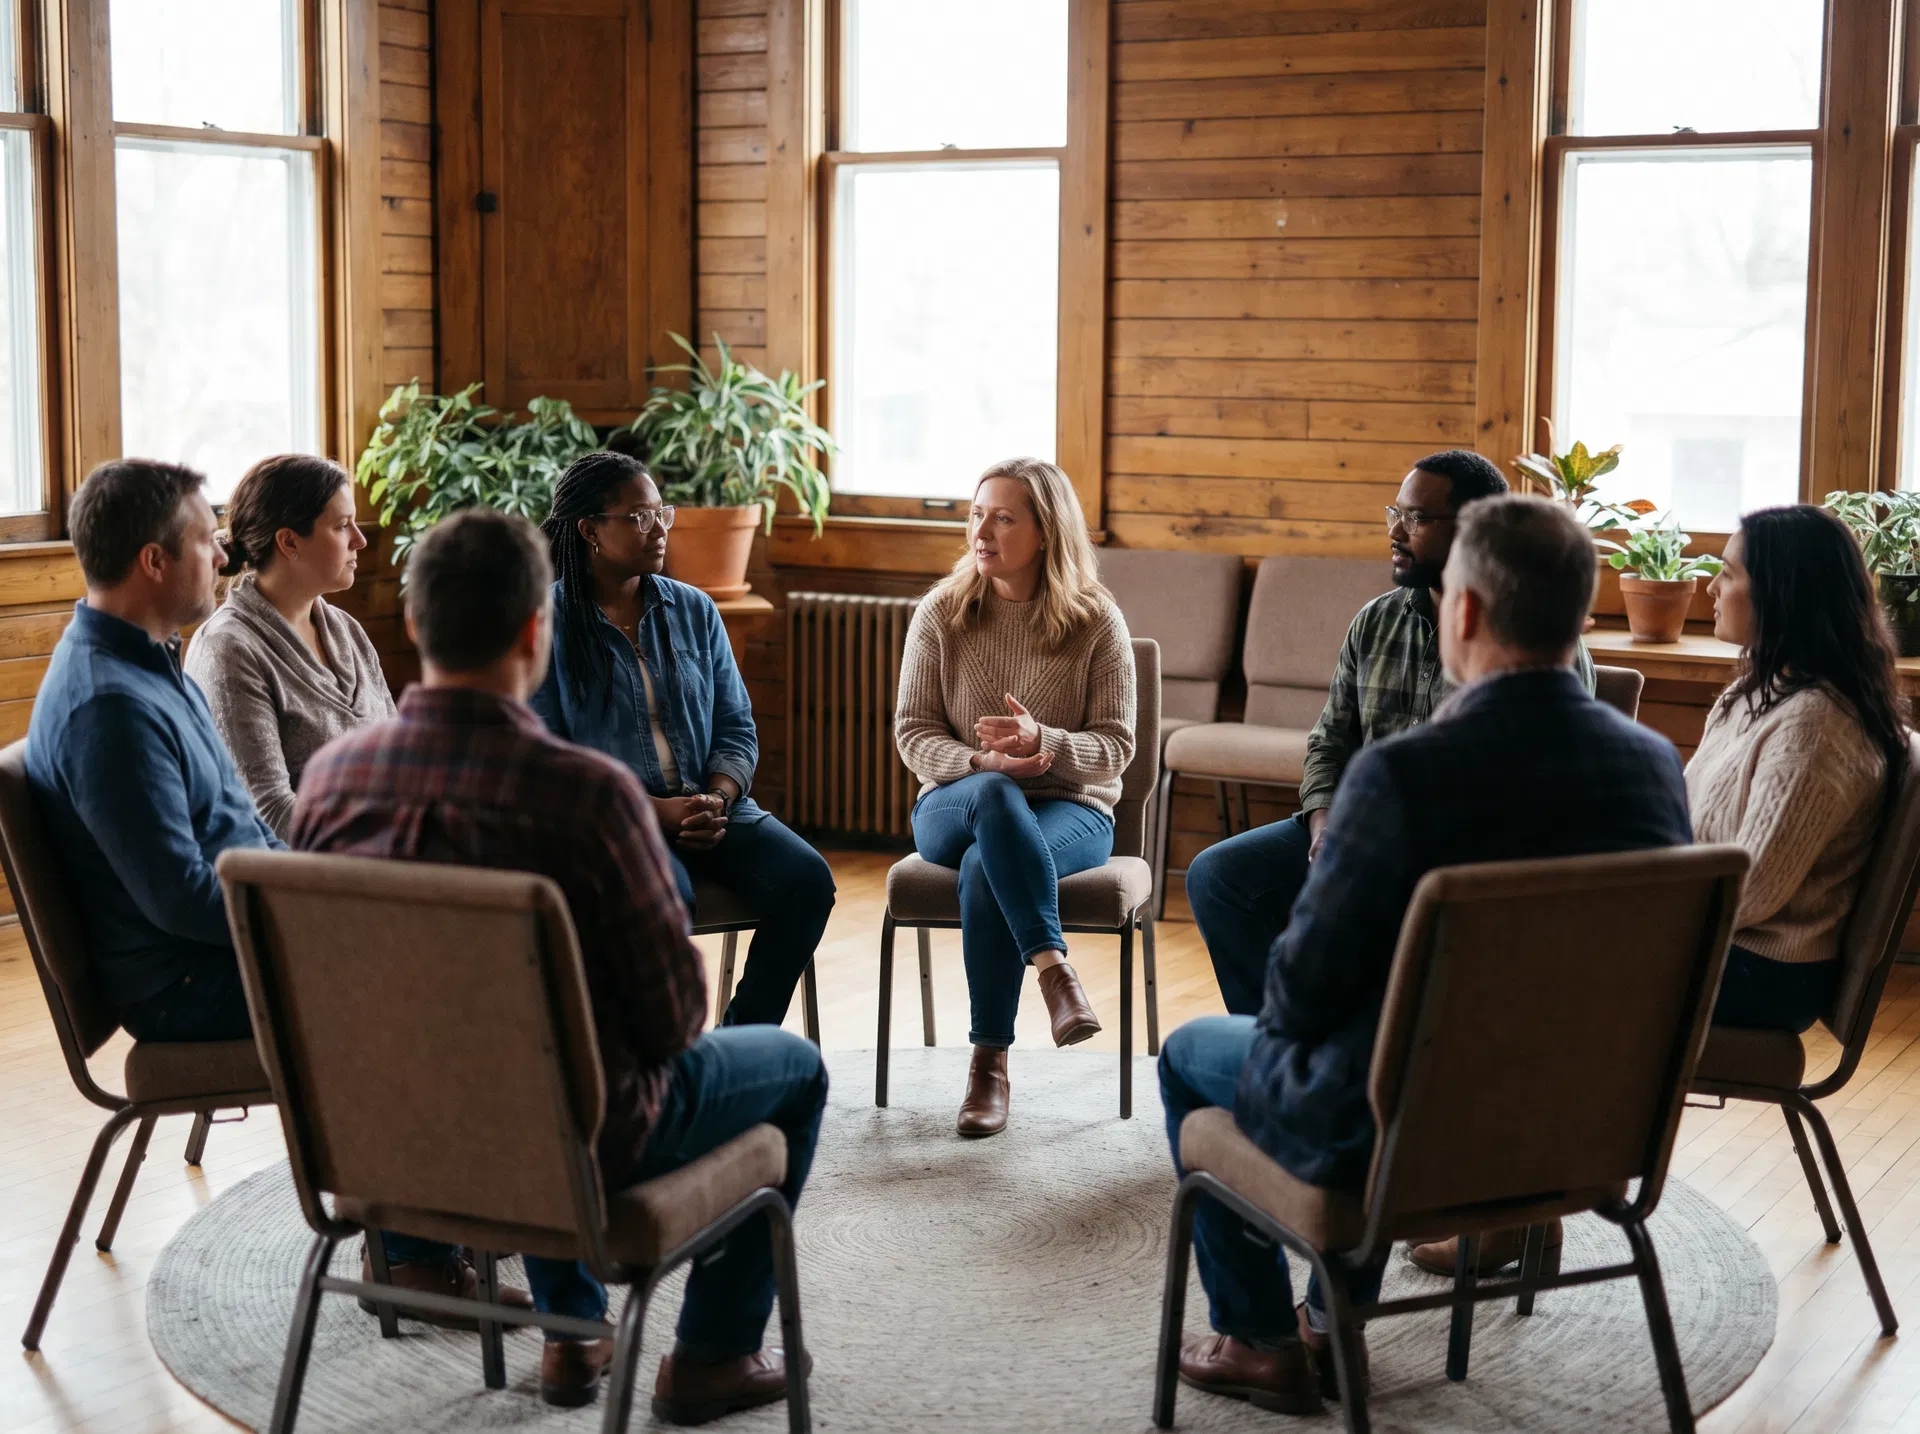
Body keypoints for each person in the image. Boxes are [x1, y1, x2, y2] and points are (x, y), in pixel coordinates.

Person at [1158, 495, 1690, 1416]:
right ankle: (1330, 1319)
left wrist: (1291, 1030)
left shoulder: (1407, 778)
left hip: (1406, 1138)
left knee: (1192, 1055)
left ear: (1467, 611)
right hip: (1585, 1130)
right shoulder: (1653, 766)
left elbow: (1304, 986)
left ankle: (1263, 1339)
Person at [293, 510, 827, 1420]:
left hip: (380, 1139)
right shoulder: (585, 798)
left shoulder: (330, 786)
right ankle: (711, 1356)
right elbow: (669, 1023)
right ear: (536, 632)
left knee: (520, 1054)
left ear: (414, 626)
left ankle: (576, 1331)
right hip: (569, 1142)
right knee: (794, 1073)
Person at [1184, 450, 1598, 1017]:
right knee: (1220, 876)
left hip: (1455, 857)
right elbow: (1330, 741)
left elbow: (1530, 804)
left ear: (1476, 530)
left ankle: (1333, 1058)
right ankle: (1274, 1042)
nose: (1396, 531)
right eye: (1394, 513)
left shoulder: (1527, 644)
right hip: (1358, 827)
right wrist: (1324, 824)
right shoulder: (1376, 619)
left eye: (1418, 519)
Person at [530, 450, 835, 1030]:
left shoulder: (694, 609)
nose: (661, 527)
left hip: (710, 809)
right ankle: (659, 1063)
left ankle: (741, 1044)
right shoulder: (544, 626)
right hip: (617, 824)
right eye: (640, 516)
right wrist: (655, 812)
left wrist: (717, 798)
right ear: (589, 530)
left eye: (661, 512)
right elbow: (549, 764)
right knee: (665, 902)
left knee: (807, 881)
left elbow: (737, 726)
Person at [894, 457, 1136, 1137]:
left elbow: (1116, 747)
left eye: (1004, 517)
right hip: (955, 802)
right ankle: (1054, 970)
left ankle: (988, 1065)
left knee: (984, 869)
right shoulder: (941, 612)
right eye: (977, 513)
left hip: (1073, 809)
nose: (983, 529)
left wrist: (1048, 743)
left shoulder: (1096, 621)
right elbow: (913, 734)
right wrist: (980, 760)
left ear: (1046, 532)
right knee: (995, 793)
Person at [26, 459, 282, 1043]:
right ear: (153, 560)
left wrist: (322, 889)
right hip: (189, 986)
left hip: (227, 953)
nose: (224, 558)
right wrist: (308, 918)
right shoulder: (108, 707)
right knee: (429, 977)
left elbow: (243, 823)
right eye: (206, 541)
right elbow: (183, 899)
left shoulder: (154, 660)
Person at [1688, 504, 1908, 1034]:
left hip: (1763, 970)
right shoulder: (1754, 693)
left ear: (1780, 593)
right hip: (1716, 942)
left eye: (1727, 574)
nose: (1710, 590)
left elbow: (1754, 889)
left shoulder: (1815, 726)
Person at [184, 455, 395, 839]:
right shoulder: (228, 649)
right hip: (303, 884)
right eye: (342, 526)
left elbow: (403, 762)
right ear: (289, 541)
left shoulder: (348, 631)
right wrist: (392, 842)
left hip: (383, 863)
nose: (360, 539)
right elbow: (269, 813)